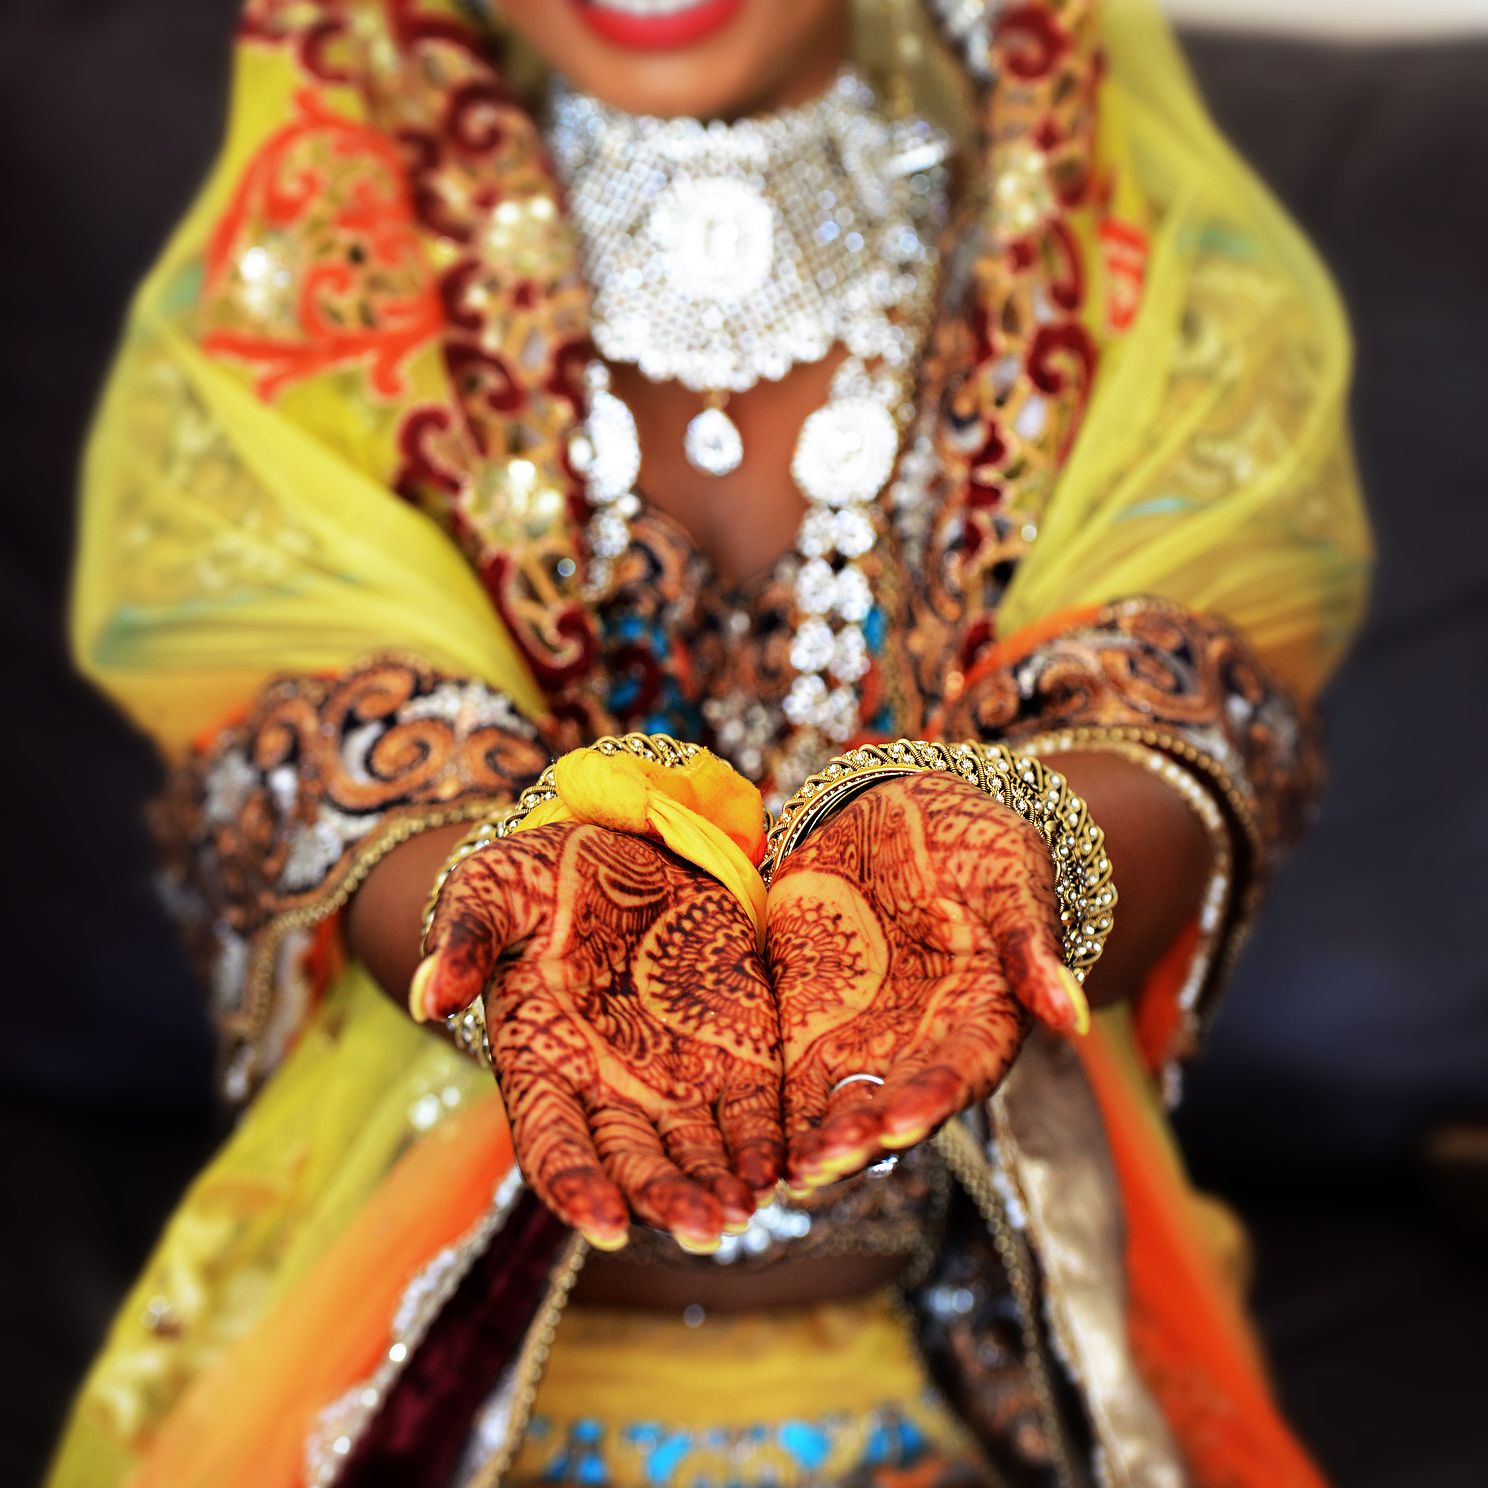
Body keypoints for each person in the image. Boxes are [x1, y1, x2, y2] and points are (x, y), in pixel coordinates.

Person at [49, 0, 1370, 1484]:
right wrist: (518, 916)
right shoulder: (320, 278)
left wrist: (996, 859)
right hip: (405, 1355)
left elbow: (1185, 694)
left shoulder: (1132, 271)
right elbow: (297, 723)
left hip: (985, 1373)